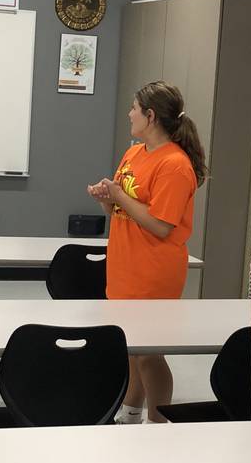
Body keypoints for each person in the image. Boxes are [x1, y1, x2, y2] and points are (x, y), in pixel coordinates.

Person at [88, 81, 206, 423]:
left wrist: (119, 196)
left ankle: (158, 421)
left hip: (153, 272)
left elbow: (160, 226)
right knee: (131, 348)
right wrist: (106, 199)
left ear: (150, 116)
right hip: (125, 266)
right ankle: (129, 412)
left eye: (134, 109)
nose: (129, 114)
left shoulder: (174, 164)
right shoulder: (134, 153)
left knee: (149, 353)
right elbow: (121, 213)